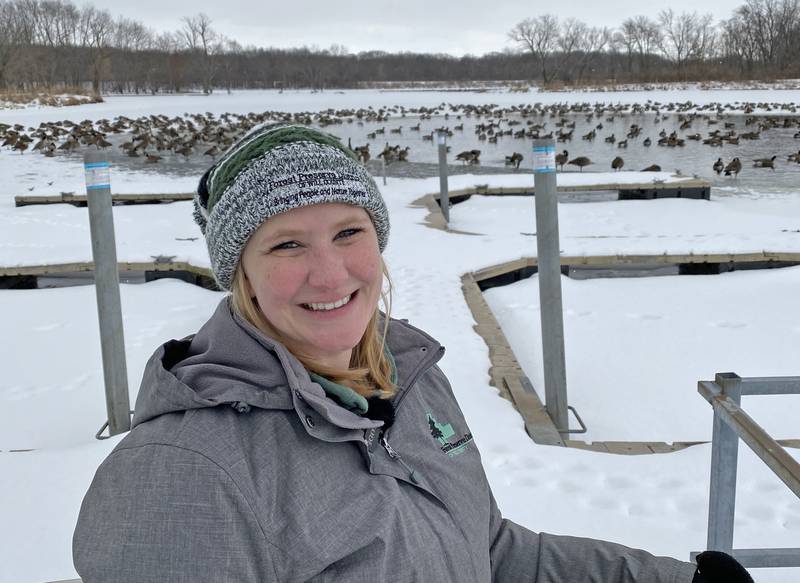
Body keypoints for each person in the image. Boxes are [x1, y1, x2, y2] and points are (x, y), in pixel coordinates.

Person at [73, 123, 753, 582]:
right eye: (287, 244)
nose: (330, 274)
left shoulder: (410, 381)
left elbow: (489, 553)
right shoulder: (182, 473)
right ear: (239, 272)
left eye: (349, 232)